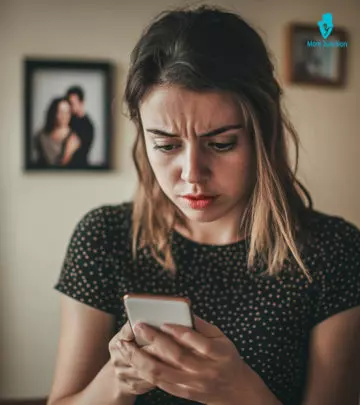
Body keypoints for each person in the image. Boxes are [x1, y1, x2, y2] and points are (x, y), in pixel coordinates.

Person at [47, 5, 360, 405]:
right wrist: (118, 380)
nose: (192, 173)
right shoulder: (103, 237)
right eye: (166, 144)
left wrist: (241, 393)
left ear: (263, 133)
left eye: (221, 143)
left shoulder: (334, 251)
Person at [34, 97, 81, 168]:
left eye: (67, 112)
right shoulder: (41, 136)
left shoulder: (75, 139)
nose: (64, 116)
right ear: (54, 113)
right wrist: (67, 153)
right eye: (61, 112)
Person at [66, 85, 94, 167]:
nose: (69, 107)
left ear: (81, 102)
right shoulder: (69, 119)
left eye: (72, 103)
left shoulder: (88, 126)